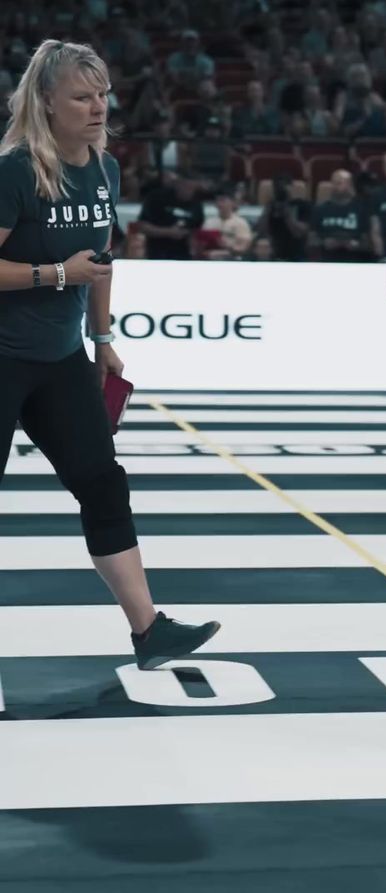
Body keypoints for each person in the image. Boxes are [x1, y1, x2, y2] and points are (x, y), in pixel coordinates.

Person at [0, 40, 218, 669]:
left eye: (103, 95)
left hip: (62, 359)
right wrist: (53, 275)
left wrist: (102, 340)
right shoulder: (15, 171)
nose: (98, 107)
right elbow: (69, 270)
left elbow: (99, 264)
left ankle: (149, 631)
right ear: (47, 101)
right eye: (82, 96)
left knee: (103, 485)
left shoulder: (103, 167)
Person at [310, 169, 373, 261]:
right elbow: (311, 240)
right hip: (327, 261)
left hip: (355, 262)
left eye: (339, 183)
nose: (335, 186)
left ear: (349, 185)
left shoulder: (362, 209)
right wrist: (324, 243)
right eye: (333, 183)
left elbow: (369, 243)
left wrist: (356, 245)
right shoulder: (320, 209)